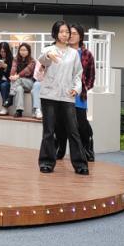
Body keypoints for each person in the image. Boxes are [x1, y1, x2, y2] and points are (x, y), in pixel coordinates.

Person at [37, 21, 88, 175]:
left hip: (67, 96)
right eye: (61, 32)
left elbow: (78, 74)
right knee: (49, 131)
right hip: (49, 95)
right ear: (55, 34)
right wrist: (48, 55)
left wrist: (76, 89)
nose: (65, 35)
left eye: (67, 32)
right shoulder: (48, 49)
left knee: (73, 130)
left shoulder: (74, 53)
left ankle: (80, 164)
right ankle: (46, 162)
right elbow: (42, 60)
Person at [59, 25, 95, 161]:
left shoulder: (86, 54)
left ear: (80, 36)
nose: (71, 36)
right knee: (61, 124)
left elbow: (91, 76)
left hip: (79, 96)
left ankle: (87, 151)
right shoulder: (62, 51)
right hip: (62, 94)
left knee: (81, 124)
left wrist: (84, 88)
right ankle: (59, 151)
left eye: (74, 33)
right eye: (70, 33)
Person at [7, 43, 36, 118]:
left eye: (25, 50)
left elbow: (27, 70)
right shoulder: (16, 59)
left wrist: (17, 76)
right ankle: (19, 111)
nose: (23, 52)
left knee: (18, 80)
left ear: (28, 51)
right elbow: (13, 68)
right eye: (21, 50)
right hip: (18, 82)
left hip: (29, 83)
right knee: (19, 89)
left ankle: (10, 97)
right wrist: (12, 76)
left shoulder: (32, 61)